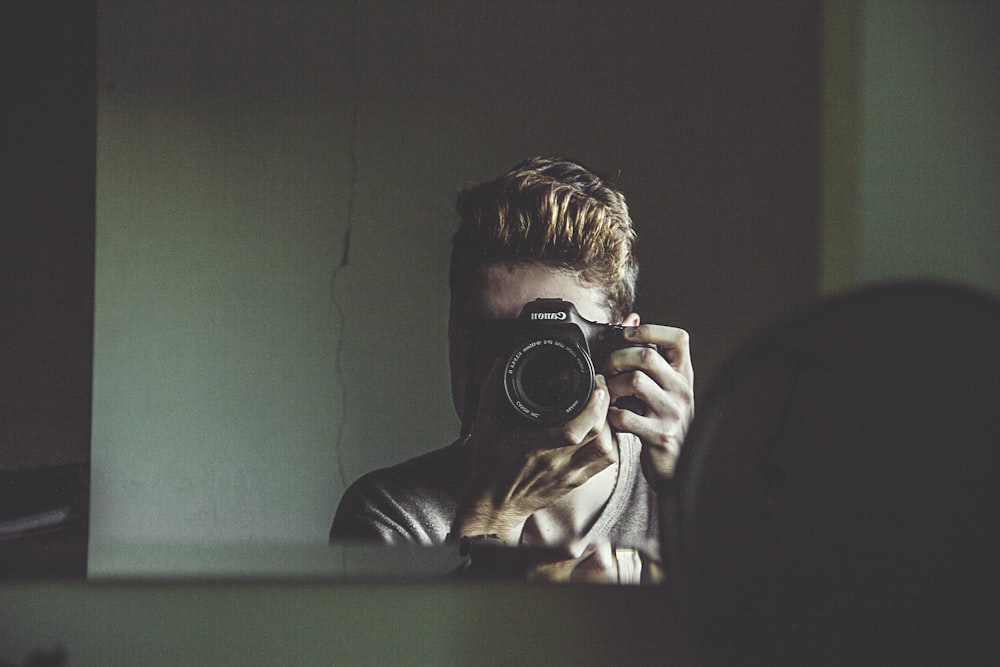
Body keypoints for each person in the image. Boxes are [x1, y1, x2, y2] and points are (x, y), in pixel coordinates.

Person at [330, 157, 694, 573]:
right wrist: (491, 517)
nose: (513, 370)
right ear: (452, 337)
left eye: (552, 345)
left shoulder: (674, 491)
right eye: (490, 340)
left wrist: (695, 487)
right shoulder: (394, 517)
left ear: (627, 344)